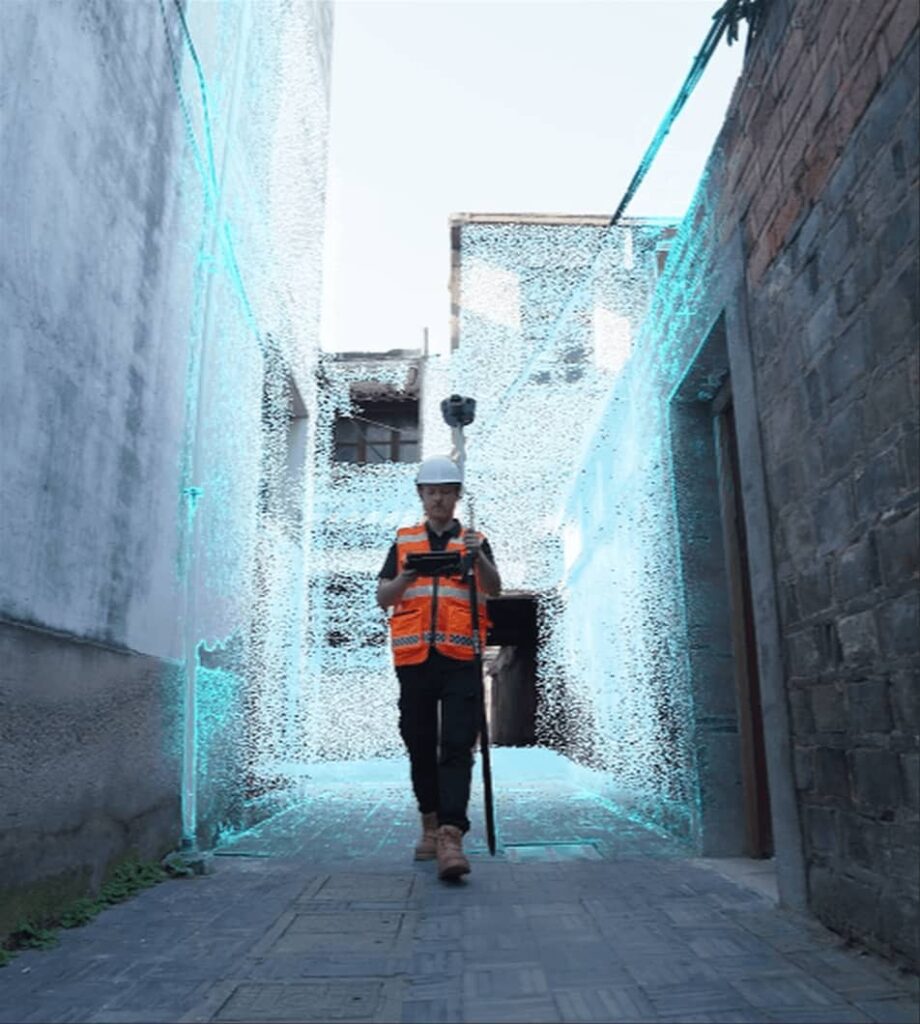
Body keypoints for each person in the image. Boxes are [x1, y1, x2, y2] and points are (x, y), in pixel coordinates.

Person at [377, 456, 501, 880]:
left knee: (456, 744)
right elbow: (384, 597)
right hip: (414, 661)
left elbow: (495, 588)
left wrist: (476, 558)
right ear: (421, 496)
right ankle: (429, 823)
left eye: (446, 491)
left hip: (461, 658)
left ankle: (451, 833)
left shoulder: (474, 539)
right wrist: (407, 578)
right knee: (419, 741)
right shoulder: (404, 540)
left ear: (456, 496)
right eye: (432, 492)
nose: (439, 499)